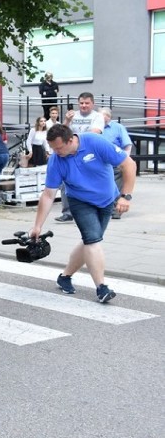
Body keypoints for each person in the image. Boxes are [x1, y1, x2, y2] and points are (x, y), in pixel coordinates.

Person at [29, 124, 135, 303]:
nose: (56, 152)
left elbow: (128, 164)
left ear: (71, 140)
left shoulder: (95, 142)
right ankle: (102, 288)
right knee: (92, 239)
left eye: (59, 147)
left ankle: (65, 277)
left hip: (107, 200)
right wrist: (37, 226)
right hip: (80, 201)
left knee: (90, 240)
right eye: (53, 148)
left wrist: (125, 196)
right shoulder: (56, 160)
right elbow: (48, 194)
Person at [56, 92, 104, 223]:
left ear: (92, 103)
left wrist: (75, 139)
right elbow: (61, 133)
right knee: (66, 183)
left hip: (89, 154)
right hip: (71, 154)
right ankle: (67, 212)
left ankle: (92, 210)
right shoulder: (72, 115)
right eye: (81, 103)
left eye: (87, 103)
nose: (84, 105)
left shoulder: (97, 116)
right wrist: (66, 120)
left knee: (90, 182)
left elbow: (94, 134)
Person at [100, 107, 133, 220]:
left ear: (108, 117)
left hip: (115, 163)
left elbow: (127, 145)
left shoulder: (118, 128)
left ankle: (116, 210)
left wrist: (125, 160)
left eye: (101, 115)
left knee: (116, 187)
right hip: (100, 164)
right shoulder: (96, 128)